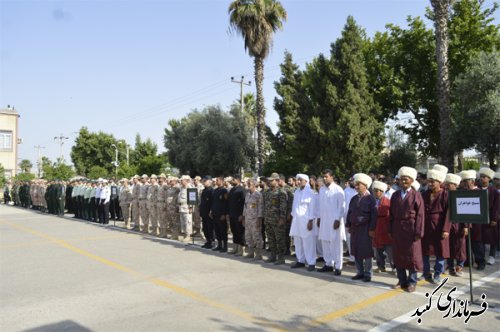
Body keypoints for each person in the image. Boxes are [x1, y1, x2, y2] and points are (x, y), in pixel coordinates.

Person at [389, 166, 425, 293]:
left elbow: (420, 215)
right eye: (401, 179)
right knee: (399, 256)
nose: (403, 182)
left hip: (411, 230)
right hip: (398, 228)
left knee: (412, 257)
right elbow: (391, 214)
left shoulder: (416, 195)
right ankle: (401, 280)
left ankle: (412, 282)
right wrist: (390, 229)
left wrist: (418, 232)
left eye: (406, 179)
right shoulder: (395, 195)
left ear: (411, 181)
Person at [420, 169, 450, 284]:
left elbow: (449, 213)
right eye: (429, 181)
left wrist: (446, 229)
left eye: (433, 181)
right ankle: (426, 273)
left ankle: (437, 274)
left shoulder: (445, 194)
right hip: (426, 225)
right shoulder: (424, 194)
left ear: (440, 182)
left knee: (440, 251)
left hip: (440, 226)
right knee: (425, 251)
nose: (430, 184)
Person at [346, 173, 377, 282]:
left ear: (365, 185)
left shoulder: (371, 199)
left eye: (358, 184)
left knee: (367, 252)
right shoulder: (353, 199)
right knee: (356, 250)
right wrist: (348, 225)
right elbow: (349, 213)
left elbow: (374, 215)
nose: (356, 186)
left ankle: (368, 274)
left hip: (366, 229)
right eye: (356, 184)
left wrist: (372, 229)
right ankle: (359, 272)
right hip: (355, 228)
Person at [317, 169, 345, 275]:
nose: (324, 178)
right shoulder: (322, 190)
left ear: (332, 177)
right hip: (324, 220)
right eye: (323, 177)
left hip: (334, 221)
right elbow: (320, 205)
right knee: (325, 242)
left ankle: (338, 266)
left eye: (326, 176)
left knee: (336, 244)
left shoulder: (338, 190)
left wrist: (338, 219)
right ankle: (328, 264)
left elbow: (342, 206)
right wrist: (319, 218)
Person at [290, 174, 317, 271]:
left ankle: (311, 262)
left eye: (300, 180)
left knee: (308, 242)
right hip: (297, 221)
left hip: (306, 221)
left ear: (306, 181)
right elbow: (294, 206)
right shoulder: (297, 192)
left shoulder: (310, 192)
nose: (298, 182)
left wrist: (310, 220)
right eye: (297, 180)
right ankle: (300, 260)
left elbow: (313, 208)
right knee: (298, 241)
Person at [445, 173, 468, 276]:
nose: (447, 185)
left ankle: (460, 266)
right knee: (448, 246)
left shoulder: (461, 195)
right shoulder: (444, 194)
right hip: (447, 224)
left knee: (460, 246)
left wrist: (466, 226)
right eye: (447, 183)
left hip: (459, 224)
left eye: (450, 184)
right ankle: (450, 266)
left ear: (455, 185)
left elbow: (467, 212)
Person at [263, 173, 288, 264]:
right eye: (269, 180)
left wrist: (282, 218)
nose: (269, 182)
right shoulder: (267, 192)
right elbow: (265, 205)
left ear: (277, 181)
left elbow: (283, 207)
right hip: (268, 219)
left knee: (279, 239)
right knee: (271, 238)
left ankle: (281, 258)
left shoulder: (281, 192)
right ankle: (273, 255)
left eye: (271, 180)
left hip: (277, 220)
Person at [478, 167, 499, 266]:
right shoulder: (477, 190)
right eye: (481, 177)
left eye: (484, 177)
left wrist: (494, 218)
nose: (482, 179)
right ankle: (481, 256)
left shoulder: (494, 191)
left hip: (491, 216)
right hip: (479, 217)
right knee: (480, 237)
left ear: (489, 178)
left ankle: (492, 256)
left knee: (492, 238)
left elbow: (496, 206)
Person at [372, 180, 393, 273]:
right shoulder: (372, 202)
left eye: (378, 190)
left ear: (382, 191)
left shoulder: (388, 202)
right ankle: (381, 266)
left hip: (386, 227)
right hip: (377, 228)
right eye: (375, 191)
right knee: (378, 249)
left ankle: (394, 267)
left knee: (390, 250)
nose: (376, 193)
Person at [242, 179, 264, 260]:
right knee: (248, 236)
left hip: (255, 219)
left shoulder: (258, 195)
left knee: (257, 236)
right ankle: (251, 253)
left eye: (249, 183)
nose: (248, 185)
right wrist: (244, 218)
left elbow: (260, 208)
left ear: (254, 185)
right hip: (248, 219)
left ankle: (258, 254)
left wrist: (259, 219)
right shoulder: (247, 194)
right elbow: (245, 207)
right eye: (247, 183)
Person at [227, 176, 246, 256]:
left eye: (233, 179)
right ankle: (235, 248)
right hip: (232, 214)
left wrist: (242, 215)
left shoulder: (242, 190)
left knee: (240, 232)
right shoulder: (232, 190)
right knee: (234, 231)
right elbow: (229, 202)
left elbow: (244, 204)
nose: (232, 181)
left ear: (238, 180)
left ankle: (241, 250)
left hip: (239, 215)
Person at [211, 176, 229, 252]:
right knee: (217, 230)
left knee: (223, 230)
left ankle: (225, 246)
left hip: (221, 214)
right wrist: (211, 211)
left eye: (217, 180)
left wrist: (224, 214)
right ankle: (219, 245)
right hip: (215, 213)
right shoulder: (215, 190)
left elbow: (226, 203)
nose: (216, 181)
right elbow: (213, 202)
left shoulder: (224, 191)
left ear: (221, 181)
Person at [199, 176, 214, 248]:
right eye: (203, 181)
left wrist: (211, 211)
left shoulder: (211, 190)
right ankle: (208, 241)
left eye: (205, 181)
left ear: (210, 181)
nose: (203, 182)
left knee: (209, 228)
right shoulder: (204, 190)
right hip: (204, 212)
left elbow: (213, 202)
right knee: (205, 228)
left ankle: (211, 242)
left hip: (209, 213)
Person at [178, 175, 193, 243]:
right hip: (181, 207)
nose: (181, 181)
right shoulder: (182, 188)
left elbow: (192, 198)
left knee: (188, 222)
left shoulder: (190, 187)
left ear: (187, 181)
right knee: (183, 222)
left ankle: (188, 236)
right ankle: (185, 235)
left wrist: (191, 207)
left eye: (182, 180)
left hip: (187, 207)